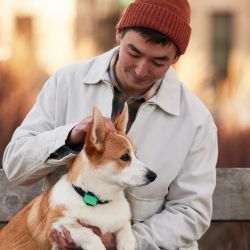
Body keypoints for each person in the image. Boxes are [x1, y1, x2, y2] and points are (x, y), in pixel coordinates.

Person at [3, 0, 218, 249]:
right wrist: (70, 137)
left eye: (158, 62)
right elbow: (15, 167)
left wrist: (124, 241)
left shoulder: (197, 121)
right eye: (133, 53)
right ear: (118, 33)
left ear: (177, 58)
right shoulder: (66, 82)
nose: (140, 70)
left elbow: (192, 213)